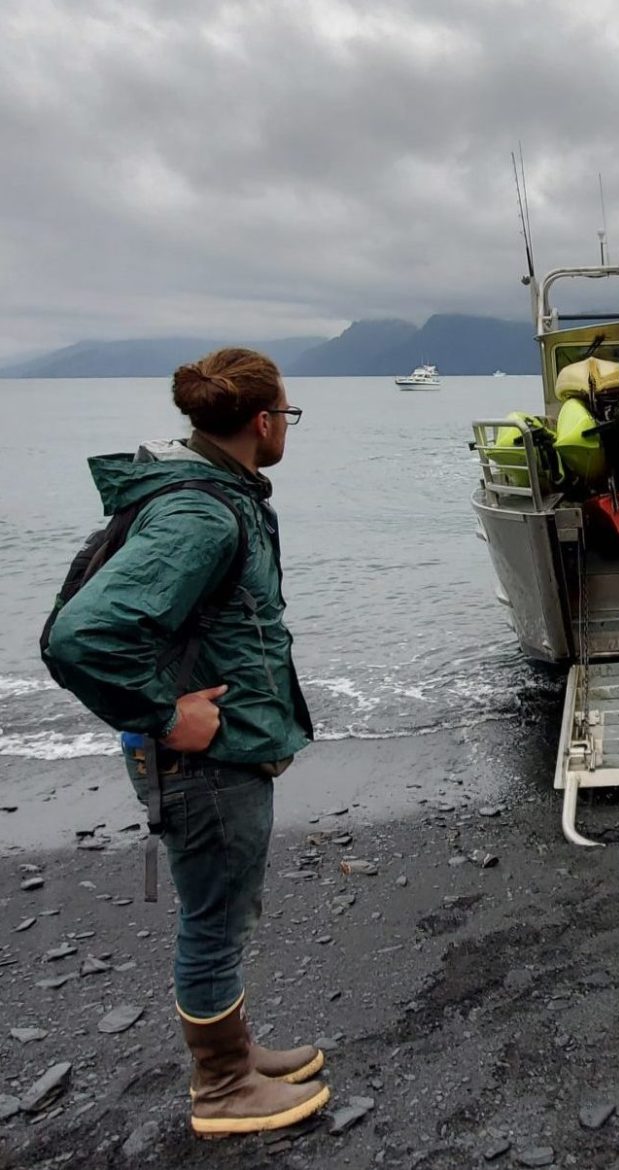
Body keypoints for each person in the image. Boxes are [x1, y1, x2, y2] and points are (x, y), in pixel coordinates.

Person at [44, 348, 330, 1136]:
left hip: (214, 752)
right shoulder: (202, 511)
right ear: (264, 421)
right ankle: (224, 1087)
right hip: (203, 760)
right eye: (288, 416)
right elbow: (81, 637)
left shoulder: (211, 491)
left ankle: (234, 1052)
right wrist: (170, 717)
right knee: (214, 916)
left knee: (226, 908)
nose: (286, 430)